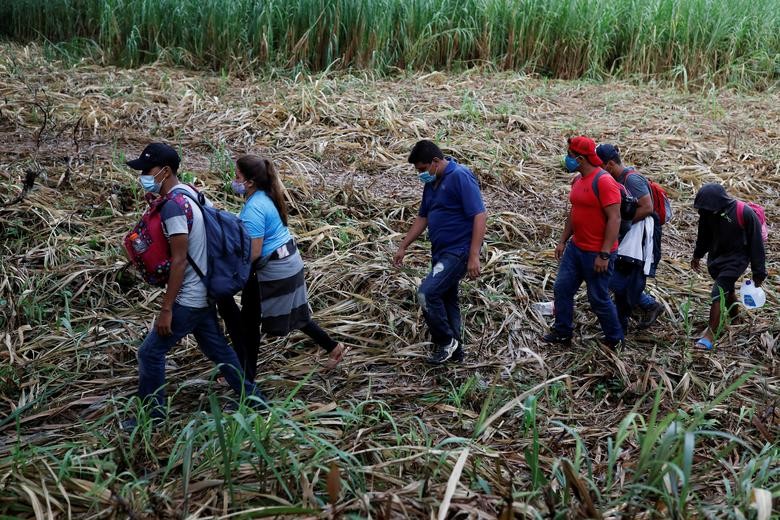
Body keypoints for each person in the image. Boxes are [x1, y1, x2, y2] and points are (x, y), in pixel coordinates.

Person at [125, 143, 264, 427]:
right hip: (203, 292)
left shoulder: (173, 208)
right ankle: (254, 400)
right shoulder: (189, 192)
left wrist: (166, 309)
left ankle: (151, 417)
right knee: (219, 351)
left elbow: (179, 261)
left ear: (164, 171)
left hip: (190, 297)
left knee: (150, 353)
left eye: (147, 171)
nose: (143, 176)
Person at [218, 154, 347, 381]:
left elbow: (254, 252)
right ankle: (334, 348)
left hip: (274, 269)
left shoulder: (254, 207)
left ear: (249, 181)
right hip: (286, 262)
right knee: (292, 315)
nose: (234, 180)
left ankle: (246, 378)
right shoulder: (263, 196)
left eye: (237, 176)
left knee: (253, 322)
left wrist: (231, 270)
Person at [393, 140, 487, 364]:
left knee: (427, 293)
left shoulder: (460, 176)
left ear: (435, 161)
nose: (421, 175)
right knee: (447, 299)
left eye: (423, 170)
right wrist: (403, 245)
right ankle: (455, 352)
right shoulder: (432, 182)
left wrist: (474, 255)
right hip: (441, 251)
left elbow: (480, 215)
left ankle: (445, 341)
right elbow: (423, 217)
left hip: (458, 251)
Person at [543, 136, 624, 348]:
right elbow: (575, 212)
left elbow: (615, 218)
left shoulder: (604, 181)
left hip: (596, 252)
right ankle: (562, 332)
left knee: (598, 298)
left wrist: (604, 253)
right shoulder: (578, 180)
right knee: (562, 289)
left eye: (569, 156)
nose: (566, 160)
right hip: (576, 248)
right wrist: (563, 241)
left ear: (580, 159)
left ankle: (615, 339)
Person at [596, 144, 663, 334]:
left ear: (609, 164)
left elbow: (647, 207)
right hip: (628, 238)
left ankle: (622, 326)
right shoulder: (618, 179)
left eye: (599, 165)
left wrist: (617, 224)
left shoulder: (631, 180)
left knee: (624, 280)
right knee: (620, 280)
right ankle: (646, 306)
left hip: (638, 241)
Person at [691, 183, 766, 350]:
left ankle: (710, 334)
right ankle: (736, 318)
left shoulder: (743, 212)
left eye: (705, 208)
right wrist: (697, 255)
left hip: (737, 259)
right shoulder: (707, 213)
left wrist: (759, 271)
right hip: (717, 257)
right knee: (727, 289)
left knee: (718, 292)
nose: (702, 212)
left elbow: (756, 243)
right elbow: (703, 236)